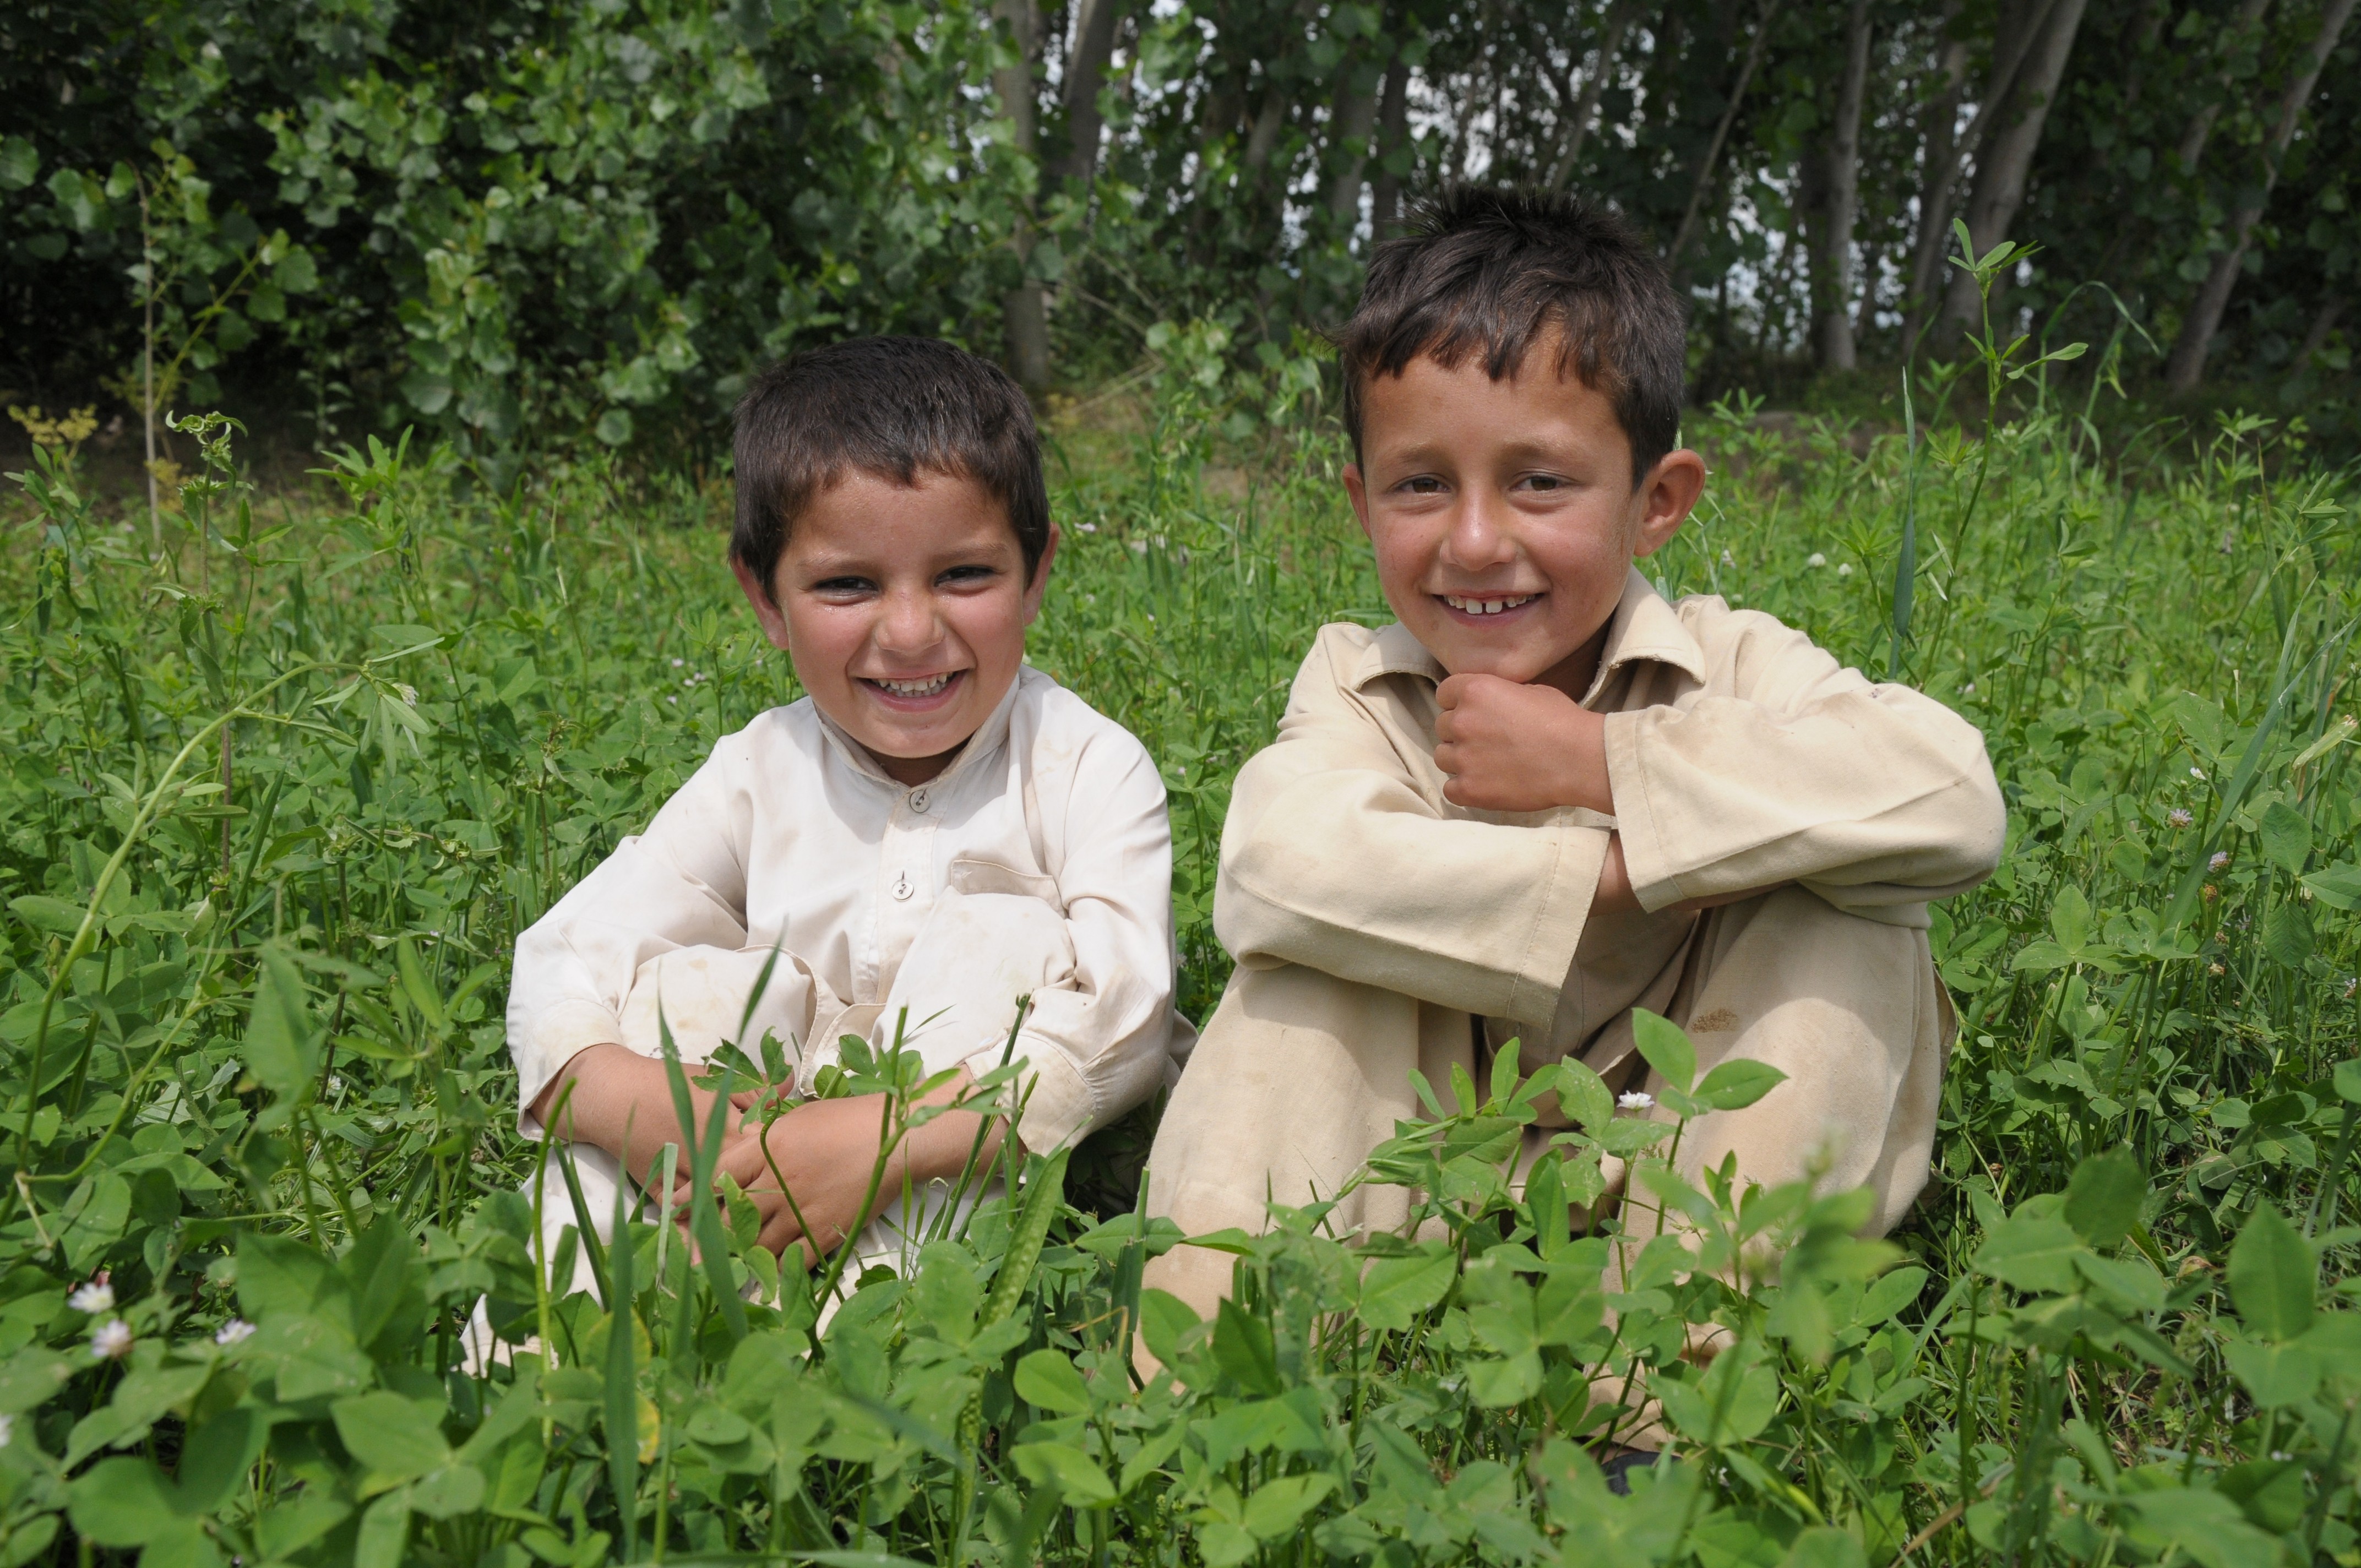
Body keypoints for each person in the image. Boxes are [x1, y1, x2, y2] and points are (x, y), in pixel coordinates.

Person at [1141, 188, 2004, 1362]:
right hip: (1430, 1155)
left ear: (1656, 502)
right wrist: (1615, 872)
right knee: (1301, 964)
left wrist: (1607, 761)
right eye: (1418, 482)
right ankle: (1212, 1375)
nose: (1476, 539)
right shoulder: (1359, 684)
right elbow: (1272, 869)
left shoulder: (1731, 662)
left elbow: (1949, 796)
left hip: (1684, 1157)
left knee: (1848, 907)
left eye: (1539, 481)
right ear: (1357, 503)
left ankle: (1672, 1372)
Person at [505, 336, 1191, 1303]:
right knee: (666, 992)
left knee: (1010, 941)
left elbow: (1131, 1018)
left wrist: (886, 1135)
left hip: (955, 1151)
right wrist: (637, 1097)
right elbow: (566, 955)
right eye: (846, 585)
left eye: (964, 576)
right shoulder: (758, 770)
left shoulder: (1085, 764)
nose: (910, 631)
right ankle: (570, 1335)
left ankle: (871, 1335)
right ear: (765, 597)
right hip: (747, 1143)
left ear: (1037, 573)